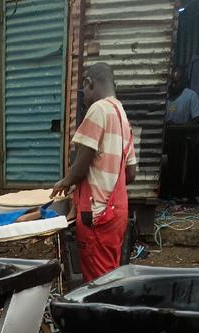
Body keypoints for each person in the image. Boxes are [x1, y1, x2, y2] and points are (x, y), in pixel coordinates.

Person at [51, 62, 137, 281]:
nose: (84, 99)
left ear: (88, 83)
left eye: (84, 92)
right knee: (110, 273)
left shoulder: (99, 109)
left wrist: (64, 182)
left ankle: (102, 314)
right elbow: (131, 174)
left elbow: (80, 166)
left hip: (97, 214)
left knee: (98, 284)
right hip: (117, 211)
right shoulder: (122, 115)